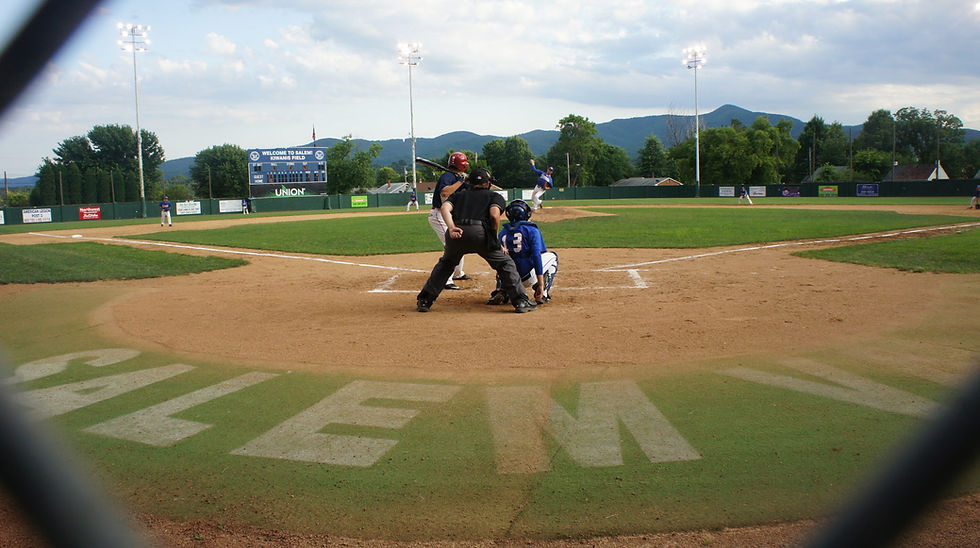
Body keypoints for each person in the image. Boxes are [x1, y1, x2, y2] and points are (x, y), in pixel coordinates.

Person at [416, 168, 536, 314]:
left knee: (446, 265)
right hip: (480, 233)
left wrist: (452, 227)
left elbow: (444, 209)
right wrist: (493, 239)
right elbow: (494, 216)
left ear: (469, 183)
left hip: (457, 233)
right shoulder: (495, 196)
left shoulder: (458, 195)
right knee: (505, 263)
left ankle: (425, 300)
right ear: (488, 183)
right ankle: (521, 301)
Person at [487, 199, 559, 306]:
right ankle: (542, 293)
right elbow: (536, 256)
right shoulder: (532, 230)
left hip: (509, 278)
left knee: (503, 260)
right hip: (527, 277)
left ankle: (501, 290)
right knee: (553, 257)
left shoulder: (503, 233)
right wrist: (541, 284)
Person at [429, 151, 471, 290]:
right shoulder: (447, 177)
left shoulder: (457, 177)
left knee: (459, 242)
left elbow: (471, 189)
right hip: (439, 214)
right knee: (452, 244)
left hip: (449, 215)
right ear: (462, 164)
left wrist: (471, 180)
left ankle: (458, 273)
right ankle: (446, 280)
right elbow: (445, 192)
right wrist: (461, 181)